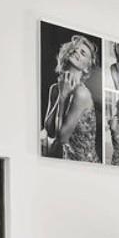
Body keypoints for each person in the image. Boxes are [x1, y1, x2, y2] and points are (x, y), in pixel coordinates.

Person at [42, 34, 100, 162]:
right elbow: (50, 130)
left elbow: (62, 139)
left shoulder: (81, 94)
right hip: (68, 162)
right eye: (74, 48)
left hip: (86, 165)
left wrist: (63, 97)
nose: (76, 51)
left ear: (86, 68)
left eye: (83, 53)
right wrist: (60, 94)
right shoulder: (55, 89)